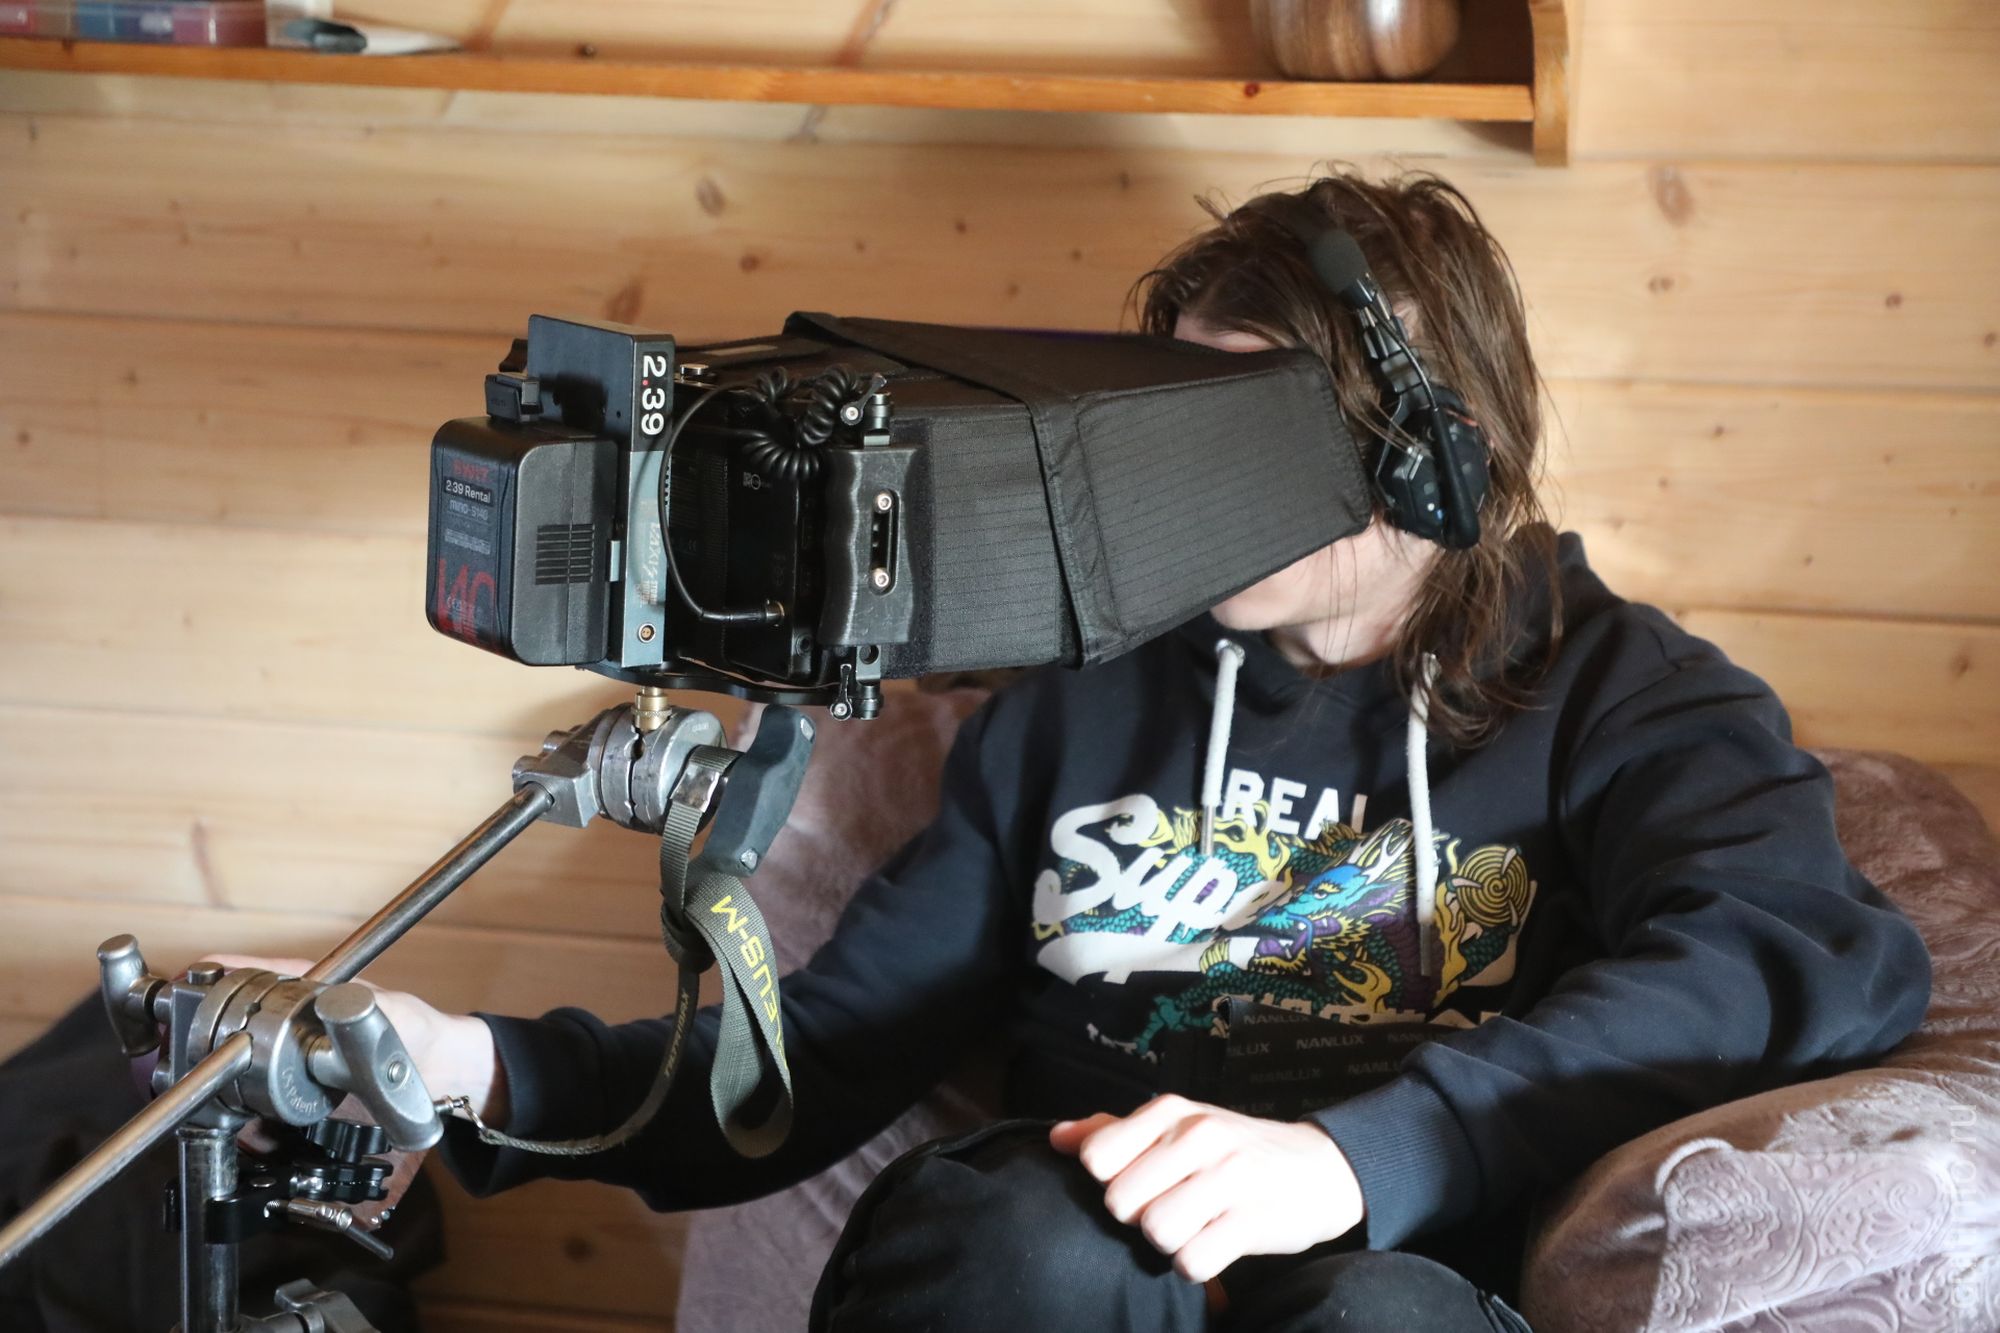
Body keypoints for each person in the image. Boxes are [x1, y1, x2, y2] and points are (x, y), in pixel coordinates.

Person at [216, 170, 1932, 1331]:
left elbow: (1795, 956)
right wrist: (470, 1066)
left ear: (1431, 458)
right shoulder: (1087, 692)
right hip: (1065, 1250)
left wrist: (1358, 1158)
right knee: (1009, 1234)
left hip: (1400, 1256)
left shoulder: (1623, 690)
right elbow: (817, 1056)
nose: (1167, 491)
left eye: (1229, 435)